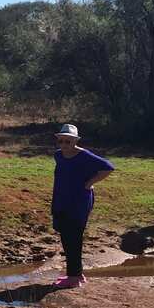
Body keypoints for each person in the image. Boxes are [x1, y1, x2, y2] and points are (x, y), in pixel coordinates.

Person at [51, 124, 114, 289]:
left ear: (75, 141)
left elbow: (108, 167)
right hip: (61, 200)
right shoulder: (58, 156)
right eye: (61, 141)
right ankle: (77, 274)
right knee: (66, 237)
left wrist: (90, 183)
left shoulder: (84, 155)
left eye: (68, 141)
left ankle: (74, 277)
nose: (64, 145)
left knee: (74, 238)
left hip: (79, 202)